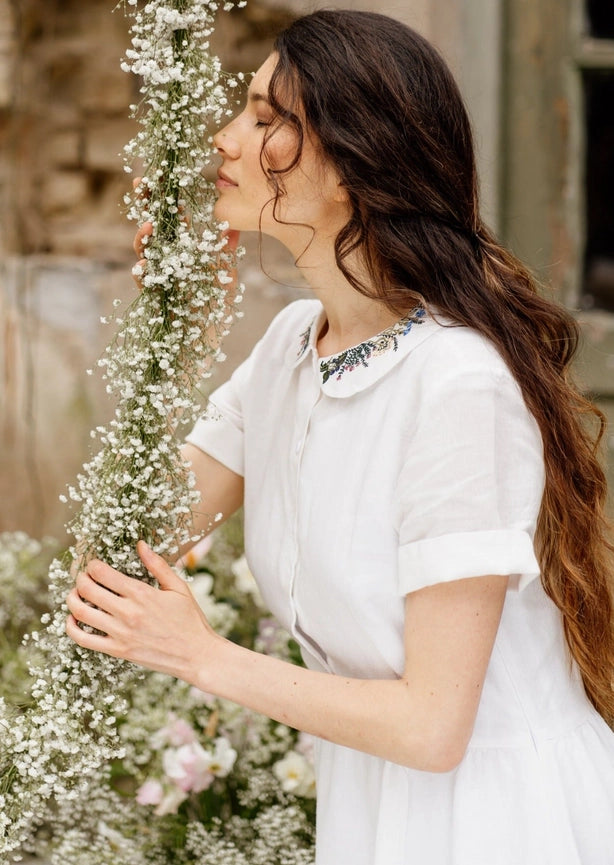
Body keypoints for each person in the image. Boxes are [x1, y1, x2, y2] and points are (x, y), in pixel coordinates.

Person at [66, 10, 614, 865]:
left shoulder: (457, 385)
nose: (225, 138)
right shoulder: (290, 346)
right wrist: (171, 322)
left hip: (499, 819)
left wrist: (204, 656)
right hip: (371, 810)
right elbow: (117, 561)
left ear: (354, 165)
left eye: (262, 118)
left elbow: (433, 726)